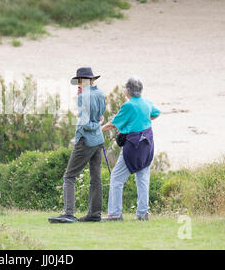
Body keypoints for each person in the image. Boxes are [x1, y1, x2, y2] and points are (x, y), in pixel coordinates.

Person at [48, 67, 106, 223]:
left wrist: (95, 124)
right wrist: (98, 124)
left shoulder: (82, 97)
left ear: (82, 80)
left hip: (85, 140)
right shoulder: (100, 93)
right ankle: (95, 214)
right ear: (92, 79)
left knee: (69, 176)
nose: (78, 85)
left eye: (79, 81)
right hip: (98, 141)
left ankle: (68, 213)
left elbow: (86, 124)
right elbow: (100, 117)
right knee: (96, 178)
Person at [101, 76, 161, 221]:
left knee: (116, 178)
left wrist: (99, 129)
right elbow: (156, 113)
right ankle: (142, 213)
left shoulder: (129, 105)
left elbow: (113, 123)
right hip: (148, 144)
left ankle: (115, 214)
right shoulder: (147, 102)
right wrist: (142, 120)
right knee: (143, 179)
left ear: (128, 91)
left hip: (134, 146)